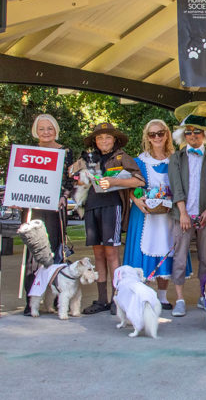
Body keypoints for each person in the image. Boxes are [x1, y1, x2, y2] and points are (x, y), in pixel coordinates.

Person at [123, 119, 191, 311]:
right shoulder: (138, 161)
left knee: (167, 250)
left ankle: (163, 297)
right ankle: (144, 296)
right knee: (144, 251)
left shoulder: (176, 159)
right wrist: (135, 199)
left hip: (169, 216)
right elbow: (128, 186)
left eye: (160, 133)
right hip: (145, 215)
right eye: (152, 134)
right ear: (147, 137)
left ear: (167, 134)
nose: (157, 137)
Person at [81, 122, 145, 314]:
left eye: (108, 137)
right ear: (95, 141)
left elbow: (139, 180)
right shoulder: (89, 158)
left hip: (112, 207)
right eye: (100, 138)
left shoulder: (122, 157)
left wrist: (115, 181)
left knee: (111, 254)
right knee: (98, 254)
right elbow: (76, 176)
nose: (104, 141)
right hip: (92, 206)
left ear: (115, 139)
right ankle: (101, 300)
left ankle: (117, 299)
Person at [168, 102, 206, 317]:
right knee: (179, 257)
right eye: (188, 132)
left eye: (197, 132)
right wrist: (182, 214)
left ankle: (203, 295)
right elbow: (176, 186)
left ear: (205, 135)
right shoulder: (176, 158)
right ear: (183, 135)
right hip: (182, 215)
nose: (193, 136)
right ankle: (179, 298)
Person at [21, 114, 74, 315]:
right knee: (34, 253)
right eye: (42, 128)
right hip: (33, 208)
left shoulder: (65, 152)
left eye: (49, 128)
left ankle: (59, 299)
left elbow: (69, 180)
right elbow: (20, 178)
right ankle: (31, 300)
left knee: (54, 252)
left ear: (56, 130)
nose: (46, 132)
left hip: (55, 209)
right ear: (36, 130)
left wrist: (65, 195)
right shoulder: (28, 152)